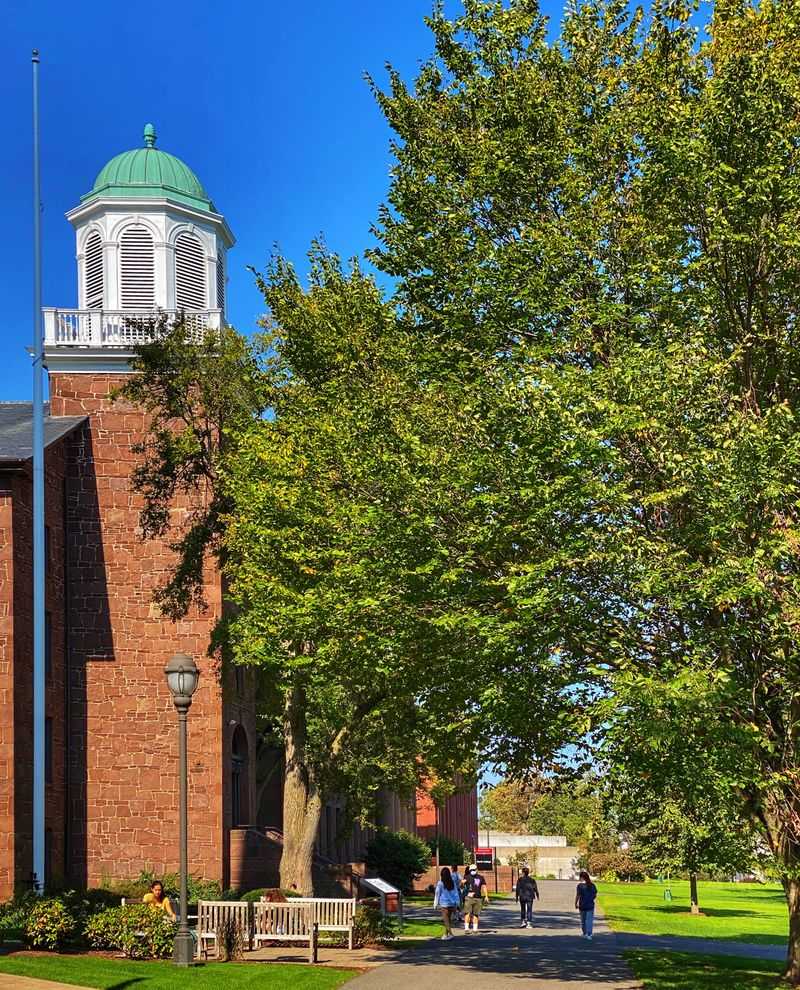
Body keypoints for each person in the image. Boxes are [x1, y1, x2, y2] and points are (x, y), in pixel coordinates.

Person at [433, 867, 460, 940]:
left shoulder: (440, 883)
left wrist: (435, 903)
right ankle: (445, 934)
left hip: (444, 904)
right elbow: (456, 893)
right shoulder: (452, 882)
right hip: (452, 903)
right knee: (448, 920)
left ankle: (451, 934)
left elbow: (437, 894)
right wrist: (457, 902)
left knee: (446, 920)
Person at [461, 865, 489, 932]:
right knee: (467, 913)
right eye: (471, 870)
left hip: (478, 898)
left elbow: (484, 887)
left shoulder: (481, 877)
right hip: (469, 897)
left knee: (476, 914)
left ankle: (475, 929)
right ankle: (466, 928)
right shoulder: (467, 877)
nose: (472, 871)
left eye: (474, 870)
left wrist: (486, 896)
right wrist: (461, 883)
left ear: (476, 869)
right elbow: (461, 887)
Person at [575, 870, 598, 940]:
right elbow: (595, 895)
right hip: (590, 905)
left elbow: (578, 895)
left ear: (582, 878)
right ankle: (589, 934)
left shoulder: (580, 886)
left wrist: (575, 903)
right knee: (589, 921)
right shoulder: (592, 885)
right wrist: (591, 899)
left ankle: (584, 933)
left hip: (582, 905)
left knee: (583, 920)